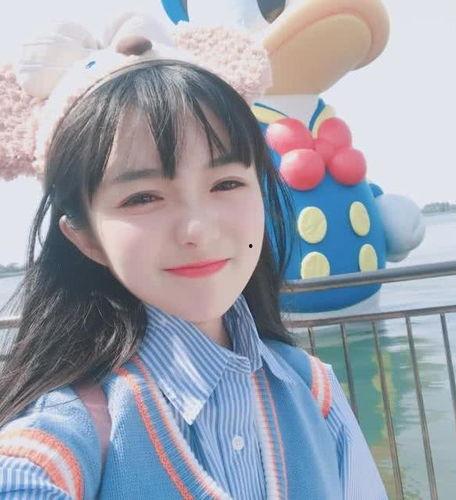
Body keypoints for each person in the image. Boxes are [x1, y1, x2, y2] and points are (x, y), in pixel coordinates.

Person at [0, 14, 387, 500]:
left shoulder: (314, 390)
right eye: (143, 197)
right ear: (85, 238)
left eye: (225, 183)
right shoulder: (68, 431)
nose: (197, 229)